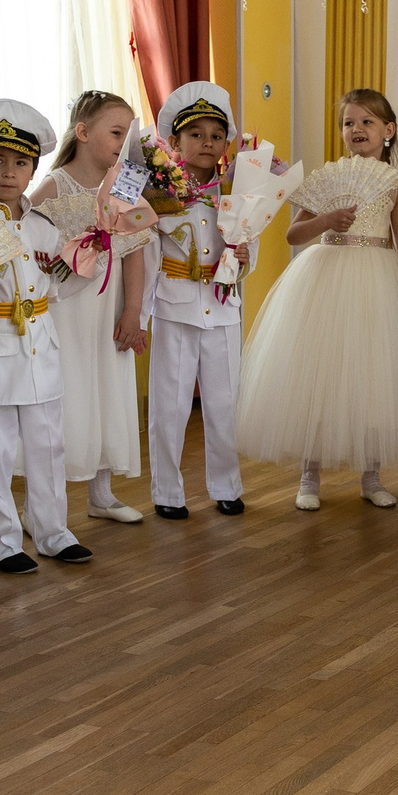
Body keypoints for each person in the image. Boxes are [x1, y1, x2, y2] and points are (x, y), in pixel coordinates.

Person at [239, 88, 398, 510]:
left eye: (367, 122)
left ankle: (371, 475)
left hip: (377, 281)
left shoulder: (396, 186)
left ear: (388, 131)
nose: (356, 130)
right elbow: (293, 234)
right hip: (325, 277)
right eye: (349, 123)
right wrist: (327, 220)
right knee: (319, 375)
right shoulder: (327, 178)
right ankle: (308, 477)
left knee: (374, 378)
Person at [0, 99, 92, 573]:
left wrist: (91, 259)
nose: (8, 172)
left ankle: (53, 531)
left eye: (20, 162)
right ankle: (1, 540)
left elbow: (59, 286)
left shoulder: (43, 225)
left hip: (40, 345)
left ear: (33, 167)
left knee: (48, 444)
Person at [33, 91, 147, 523]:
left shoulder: (125, 186)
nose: (124, 141)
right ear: (82, 132)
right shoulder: (52, 187)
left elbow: (134, 250)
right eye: (116, 132)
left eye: (128, 133)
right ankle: (46, 504)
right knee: (70, 392)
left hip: (108, 306)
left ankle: (102, 494)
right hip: (68, 309)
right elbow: (32, 250)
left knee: (106, 388)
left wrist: (132, 312)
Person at [144, 81, 249, 520]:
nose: (207, 142)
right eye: (196, 134)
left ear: (226, 143)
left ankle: (227, 485)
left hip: (223, 306)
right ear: (174, 141)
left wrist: (243, 257)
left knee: (225, 402)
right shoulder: (158, 192)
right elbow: (146, 252)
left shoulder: (236, 191)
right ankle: (167, 492)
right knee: (169, 403)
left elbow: (249, 246)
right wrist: (142, 311)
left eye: (216, 134)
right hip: (175, 303)